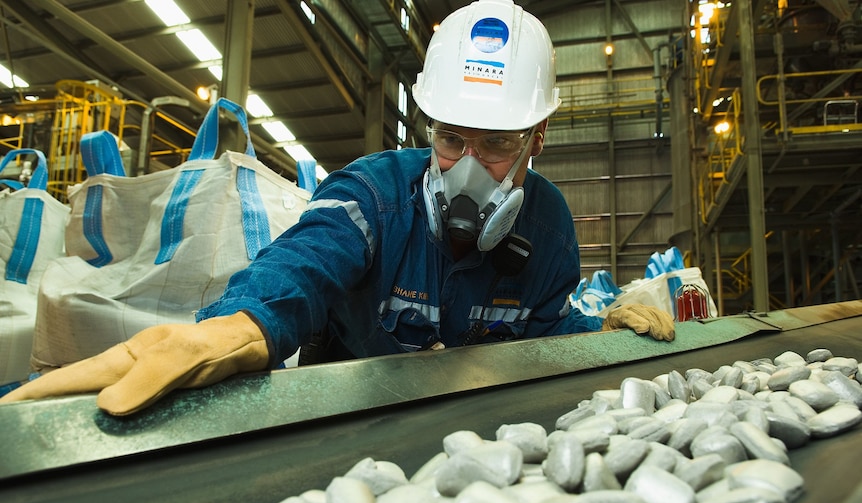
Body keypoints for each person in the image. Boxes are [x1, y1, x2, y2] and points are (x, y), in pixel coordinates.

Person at [0, 0, 673, 416]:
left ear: (538, 139)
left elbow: (543, 344)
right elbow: (300, 266)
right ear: (428, 127)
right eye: (449, 138)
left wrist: (597, 330)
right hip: (348, 413)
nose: (467, 167)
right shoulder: (374, 196)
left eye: (497, 144)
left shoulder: (550, 227)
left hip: (477, 418)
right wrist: (237, 327)